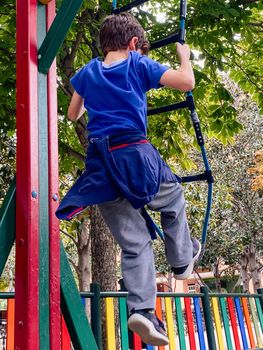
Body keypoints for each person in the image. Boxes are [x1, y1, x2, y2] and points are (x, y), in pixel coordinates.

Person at [56, 12, 201, 346]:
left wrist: (89, 94)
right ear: (134, 44)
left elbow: (72, 114)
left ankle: (143, 310)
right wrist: (184, 58)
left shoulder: (87, 72)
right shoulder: (137, 64)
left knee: (135, 243)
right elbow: (186, 82)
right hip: (133, 153)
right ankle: (181, 261)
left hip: (99, 167)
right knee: (173, 196)